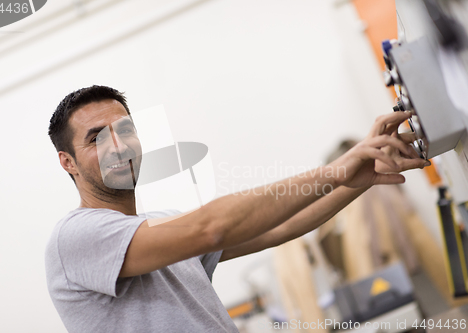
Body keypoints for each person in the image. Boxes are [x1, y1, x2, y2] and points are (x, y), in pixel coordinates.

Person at [45, 85, 429, 332]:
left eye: (125, 130)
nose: (119, 145)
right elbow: (212, 228)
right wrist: (335, 170)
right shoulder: (76, 236)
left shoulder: (159, 227)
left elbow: (280, 227)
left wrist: (358, 176)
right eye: (97, 138)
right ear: (68, 162)